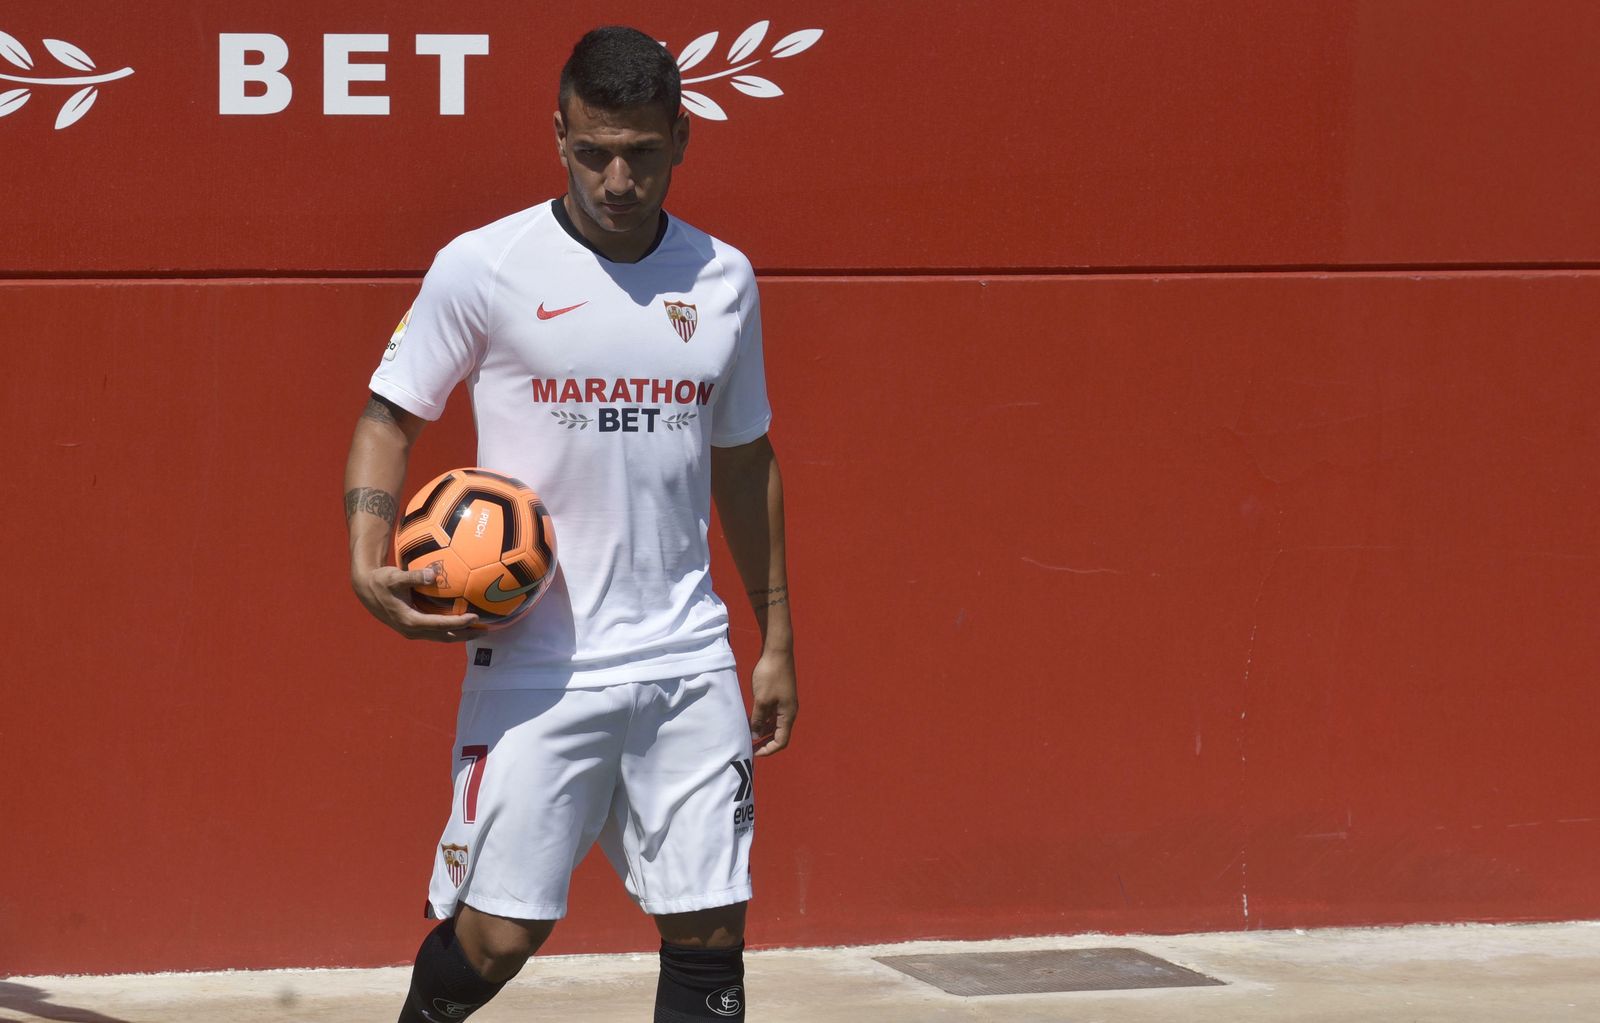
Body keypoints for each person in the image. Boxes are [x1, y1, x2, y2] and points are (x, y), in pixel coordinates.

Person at [341, 25, 798, 1023]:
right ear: (557, 135)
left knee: (709, 930)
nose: (617, 179)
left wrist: (775, 640)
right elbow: (388, 416)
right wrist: (366, 559)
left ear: (682, 138)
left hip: (686, 654)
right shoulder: (484, 266)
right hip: (537, 659)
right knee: (498, 938)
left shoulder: (723, 278)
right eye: (592, 152)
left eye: (641, 152)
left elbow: (745, 458)